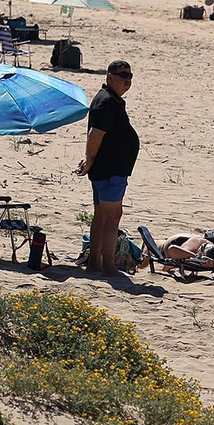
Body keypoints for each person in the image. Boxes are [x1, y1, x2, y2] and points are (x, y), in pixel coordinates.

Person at [76, 61, 139, 274]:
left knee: (102, 216)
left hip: (108, 169)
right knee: (113, 218)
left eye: (130, 75)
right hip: (110, 170)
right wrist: (90, 160)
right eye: (122, 75)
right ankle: (108, 267)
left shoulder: (111, 99)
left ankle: (95, 263)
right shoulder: (107, 102)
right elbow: (95, 135)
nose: (127, 79)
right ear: (110, 76)